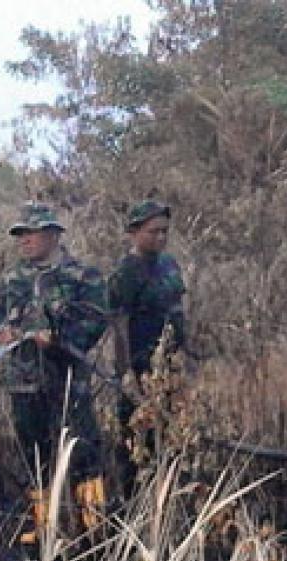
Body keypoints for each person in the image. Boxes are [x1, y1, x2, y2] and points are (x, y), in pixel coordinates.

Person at [0, 203, 109, 544]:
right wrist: (2, 332)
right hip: (23, 382)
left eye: (31, 233)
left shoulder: (82, 276)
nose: (24, 240)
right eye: (20, 234)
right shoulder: (11, 279)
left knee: (83, 450)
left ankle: (94, 525)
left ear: (53, 235)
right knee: (34, 452)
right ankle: (45, 526)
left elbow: (97, 319)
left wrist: (60, 339)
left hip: (68, 381)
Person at [107, 199, 186, 493]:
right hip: (140, 369)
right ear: (135, 232)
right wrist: (126, 373)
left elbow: (178, 309)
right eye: (154, 232)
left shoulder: (169, 265)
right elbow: (119, 324)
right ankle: (133, 506)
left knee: (173, 438)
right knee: (137, 442)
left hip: (171, 368)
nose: (161, 238)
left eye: (165, 231)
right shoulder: (125, 272)